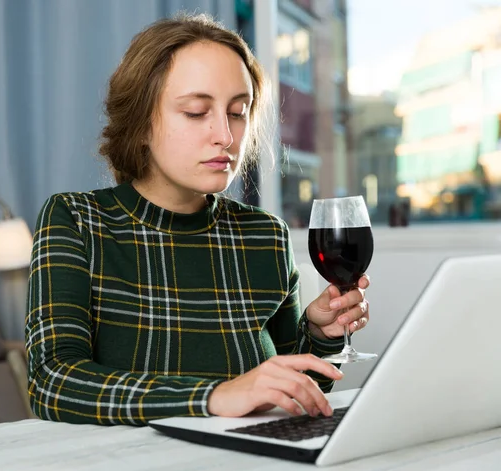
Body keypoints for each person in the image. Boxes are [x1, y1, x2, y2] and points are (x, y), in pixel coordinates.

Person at [25, 13, 371, 426]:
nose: (225, 136)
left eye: (238, 112)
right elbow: (52, 384)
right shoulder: (76, 221)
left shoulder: (265, 235)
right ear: (139, 124)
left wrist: (319, 336)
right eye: (195, 112)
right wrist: (215, 395)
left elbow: (289, 386)